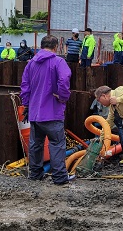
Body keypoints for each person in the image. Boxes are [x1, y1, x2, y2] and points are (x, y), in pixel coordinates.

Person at [20, 35, 73, 185]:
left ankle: (35, 174)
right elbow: (64, 79)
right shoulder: (58, 62)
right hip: (52, 112)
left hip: (35, 113)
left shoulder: (31, 64)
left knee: (36, 144)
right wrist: (62, 97)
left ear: (41, 46)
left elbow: (25, 86)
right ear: (55, 47)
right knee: (56, 144)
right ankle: (60, 178)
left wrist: (27, 105)